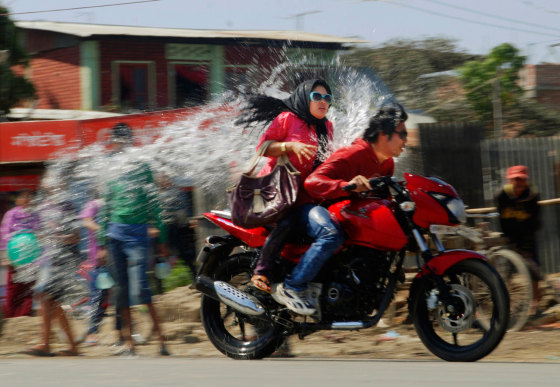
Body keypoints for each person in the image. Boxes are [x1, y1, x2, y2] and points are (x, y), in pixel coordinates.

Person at [291, 103, 409, 313]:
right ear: (384, 135)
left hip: (339, 213)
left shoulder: (386, 164)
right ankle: (294, 286)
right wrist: (345, 186)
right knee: (331, 235)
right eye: (402, 133)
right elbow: (312, 182)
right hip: (309, 207)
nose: (406, 140)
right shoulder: (353, 154)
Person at [235, 79, 335, 314]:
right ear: (304, 98)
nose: (323, 102)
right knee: (288, 221)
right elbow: (262, 148)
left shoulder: (326, 127)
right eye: (317, 97)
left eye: (327, 98)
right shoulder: (288, 119)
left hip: (303, 195)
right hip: (275, 192)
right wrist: (289, 147)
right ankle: (260, 273)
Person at [97, 122, 170, 357]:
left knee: (141, 289)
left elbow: (155, 204)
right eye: (116, 141)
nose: (118, 145)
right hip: (114, 234)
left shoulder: (142, 166)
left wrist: (162, 238)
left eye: (121, 141)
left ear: (128, 141)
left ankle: (162, 341)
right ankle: (129, 343)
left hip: (138, 234)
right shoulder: (111, 167)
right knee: (121, 290)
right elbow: (105, 205)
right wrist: (101, 241)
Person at [23, 172, 82, 357]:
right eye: (45, 179)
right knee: (51, 303)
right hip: (48, 261)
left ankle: (45, 343)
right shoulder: (42, 208)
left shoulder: (68, 206)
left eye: (50, 179)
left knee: (47, 299)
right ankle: (72, 345)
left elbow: (75, 237)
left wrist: (55, 237)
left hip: (65, 261)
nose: (46, 182)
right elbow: (40, 237)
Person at [495, 165, 542, 315]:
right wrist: (509, 241)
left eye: (521, 180)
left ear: (525, 180)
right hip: (509, 236)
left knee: (534, 269)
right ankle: (508, 304)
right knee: (506, 270)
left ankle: (535, 305)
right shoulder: (502, 195)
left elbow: (535, 221)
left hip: (527, 235)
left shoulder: (532, 195)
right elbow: (501, 220)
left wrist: (526, 247)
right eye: (515, 179)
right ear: (510, 180)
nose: (518, 183)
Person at [0, 189, 39, 318]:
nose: (28, 200)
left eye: (30, 197)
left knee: (28, 287)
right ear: (17, 200)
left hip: (30, 257)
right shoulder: (11, 214)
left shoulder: (35, 214)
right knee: (13, 286)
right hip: (15, 256)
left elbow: (38, 233)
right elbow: (5, 234)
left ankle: (25, 314)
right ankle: (11, 315)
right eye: (24, 197)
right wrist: (7, 255)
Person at [78, 188, 109, 346]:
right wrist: (103, 230)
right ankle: (92, 332)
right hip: (97, 259)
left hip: (114, 257)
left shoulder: (113, 205)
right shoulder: (94, 205)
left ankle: (122, 332)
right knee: (98, 296)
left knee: (107, 296)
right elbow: (86, 221)